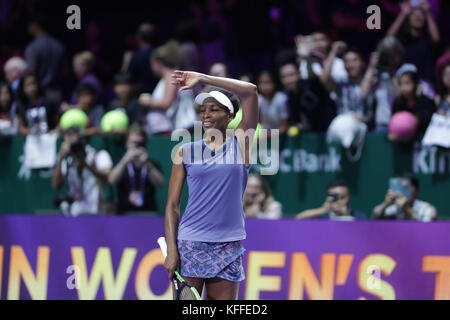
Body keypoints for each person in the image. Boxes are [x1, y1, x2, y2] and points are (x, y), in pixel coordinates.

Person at [164, 70, 258, 300]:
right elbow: (173, 206)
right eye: (203, 109)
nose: (206, 114)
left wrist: (204, 79)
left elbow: (251, 92)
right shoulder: (185, 151)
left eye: (214, 109)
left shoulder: (241, 143)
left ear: (230, 116)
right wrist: (172, 250)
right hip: (190, 244)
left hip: (228, 245)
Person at [51, 126, 113, 216]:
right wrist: (61, 157)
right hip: (74, 211)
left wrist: (86, 165)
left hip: (96, 210)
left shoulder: (96, 154)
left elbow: (108, 177)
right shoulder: (66, 160)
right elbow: (55, 185)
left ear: (82, 139)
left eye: (74, 140)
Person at [139, 41, 196, 135]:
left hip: (185, 127)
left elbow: (167, 103)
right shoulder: (172, 75)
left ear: (158, 63)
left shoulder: (170, 75)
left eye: (152, 64)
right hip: (183, 127)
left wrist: (147, 101)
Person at [108, 124, 164, 214]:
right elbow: (112, 180)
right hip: (124, 214)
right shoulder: (120, 163)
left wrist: (147, 164)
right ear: (126, 143)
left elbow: (160, 183)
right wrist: (125, 160)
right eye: (133, 143)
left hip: (148, 213)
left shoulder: (152, 163)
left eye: (139, 143)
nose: (136, 146)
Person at [321, 42, 375, 129]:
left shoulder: (372, 80)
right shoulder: (341, 83)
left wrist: (372, 66)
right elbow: (325, 79)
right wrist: (333, 52)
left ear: (362, 62)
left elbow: (364, 93)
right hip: (343, 126)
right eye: (346, 61)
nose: (351, 64)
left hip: (366, 128)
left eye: (355, 60)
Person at [386, 0, 440, 82]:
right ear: (408, 18)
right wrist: (403, 14)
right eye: (414, 14)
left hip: (426, 85)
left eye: (421, 14)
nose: (418, 17)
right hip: (404, 84)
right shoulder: (402, 40)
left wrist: (428, 13)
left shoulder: (427, 40)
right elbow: (389, 38)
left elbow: (436, 39)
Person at [279, 60, 335, 133]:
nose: (289, 80)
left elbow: (316, 78)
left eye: (291, 75)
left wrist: (307, 59)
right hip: (309, 135)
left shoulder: (312, 85)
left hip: (328, 131)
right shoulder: (287, 96)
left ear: (299, 74)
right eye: (284, 77)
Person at [25, 14, 65, 99]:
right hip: (58, 93)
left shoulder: (33, 47)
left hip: (41, 95)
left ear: (35, 25)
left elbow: (31, 72)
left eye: (29, 25)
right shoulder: (58, 45)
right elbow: (65, 71)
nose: (28, 28)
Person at [389, 69, 436, 141]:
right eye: (401, 83)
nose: (403, 87)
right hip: (402, 145)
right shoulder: (398, 103)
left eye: (407, 83)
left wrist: (412, 121)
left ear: (416, 84)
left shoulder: (427, 103)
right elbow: (394, 122)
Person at [372, 173, 436, 221]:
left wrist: (407, 209)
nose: (403, 192)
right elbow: (373, 220)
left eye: (407, 187)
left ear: (416, 191)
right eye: (400, 187)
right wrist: (385, 205)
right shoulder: (393, 208)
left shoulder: (427, 209)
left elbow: (427, 229)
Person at [296, 180, 366, 220]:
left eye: (342, 197)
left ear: (349, 197)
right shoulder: (323, 217)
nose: (338, 201)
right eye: (334, 197)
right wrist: (322, 210)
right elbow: (299, 219)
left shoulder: (359, 217)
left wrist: (346, 215)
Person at [126, 22, 158, 94]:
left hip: (139, 95)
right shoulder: (158, 54)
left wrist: (125, 64)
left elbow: (126, 78)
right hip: (156, 92)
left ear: (138, 36)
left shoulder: (134, 56)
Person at [256, 70, 289, 135]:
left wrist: (267, 135)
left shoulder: (281, 99)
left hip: (281, 138)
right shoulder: (260, 99)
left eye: (268, 82)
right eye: (262, 83)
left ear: (274, 83)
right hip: (268, 138)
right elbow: (263, 123)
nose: (265, 86)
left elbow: (284, 127)